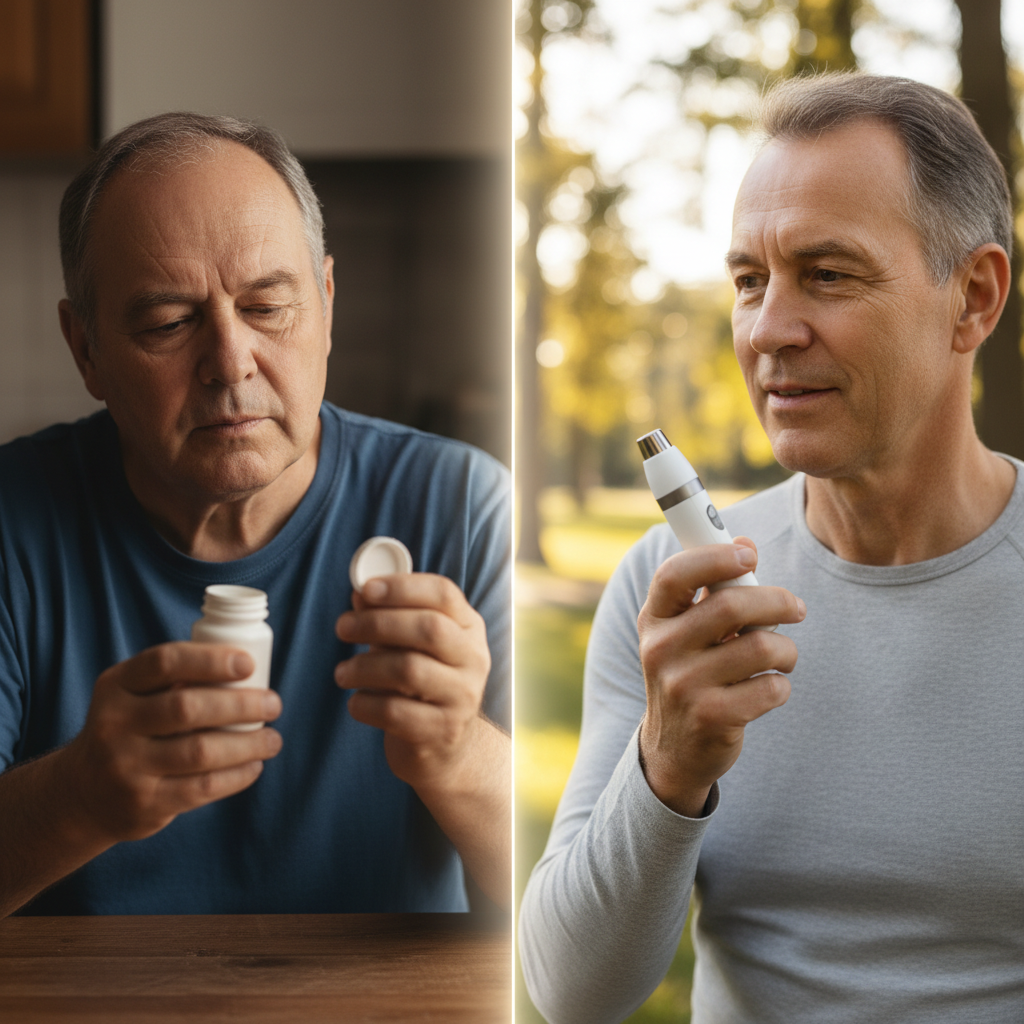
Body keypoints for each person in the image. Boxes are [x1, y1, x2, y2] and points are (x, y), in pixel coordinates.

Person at [519, 73, 1024, 1023]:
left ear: (973, 298)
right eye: (750, 281)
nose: (768, 331)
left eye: (827, 274)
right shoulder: (670, 591)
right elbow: (572, 993)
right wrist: (668, 765)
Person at [0, 112, 510, 917]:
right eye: (169, 323)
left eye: (267, 307)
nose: (231, 363)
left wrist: (461, 753)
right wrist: (77, 798)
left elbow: (569, 904)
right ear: (85, 348)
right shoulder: (13, 523)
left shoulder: (462, 508)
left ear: (327, 304)